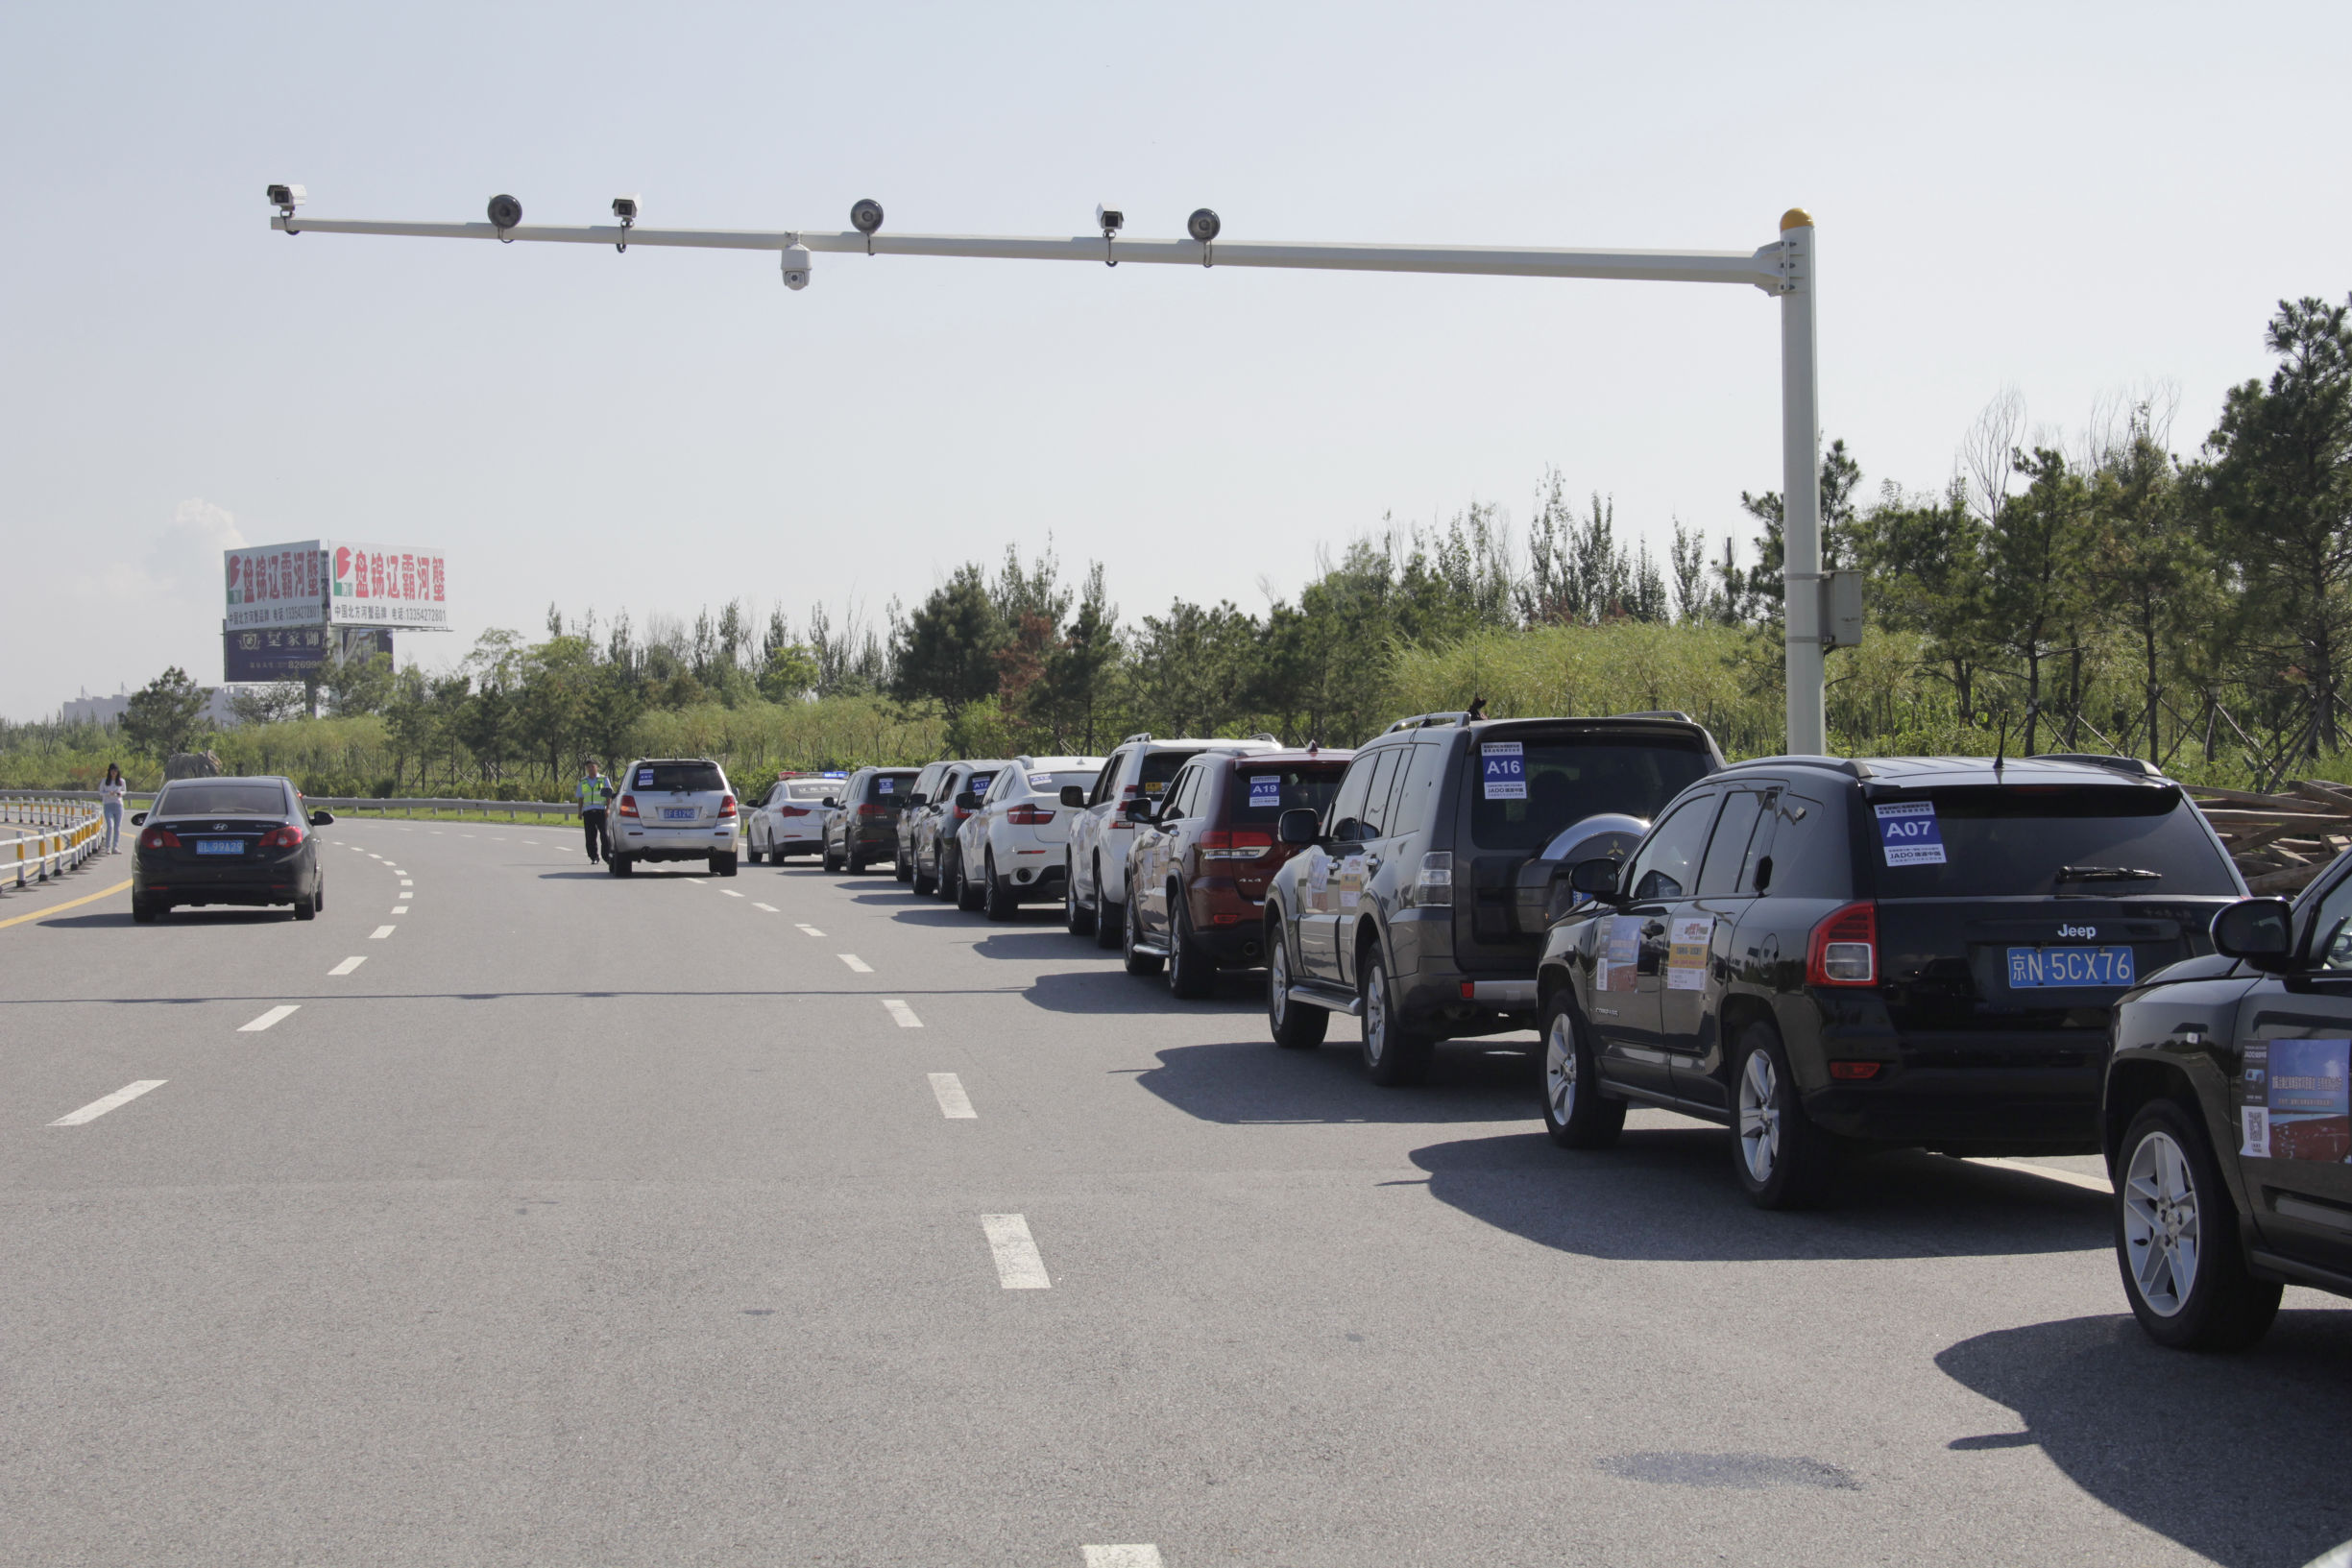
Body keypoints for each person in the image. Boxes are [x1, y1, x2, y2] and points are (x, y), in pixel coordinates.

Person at [576, 759, 613, 862]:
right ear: (586, 769)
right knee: (590, 837)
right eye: (588, 767)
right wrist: (579, 811)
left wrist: (608, 809)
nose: (591, 769)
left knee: (604, 835)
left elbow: (608, 795)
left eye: (593, 766)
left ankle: (606, 856)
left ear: (597, 767)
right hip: (588, 812)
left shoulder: (603, 779)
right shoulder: (583, 782)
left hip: (601, 811)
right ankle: (594, 857)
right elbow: (580, 798)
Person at [100, 763, 128, 853]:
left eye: (115, 770)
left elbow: (124, 791)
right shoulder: (105, 781)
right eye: (112, 770)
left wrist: (120, 793)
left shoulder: (121, 781)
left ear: (117, 771)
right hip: (108, 805)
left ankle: (115, 847)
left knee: (117, 827)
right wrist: (108, 793)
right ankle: (108, 847)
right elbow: (100, 792)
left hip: (118, 805)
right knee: (110, 826)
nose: (114, 772)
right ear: (109, 771)